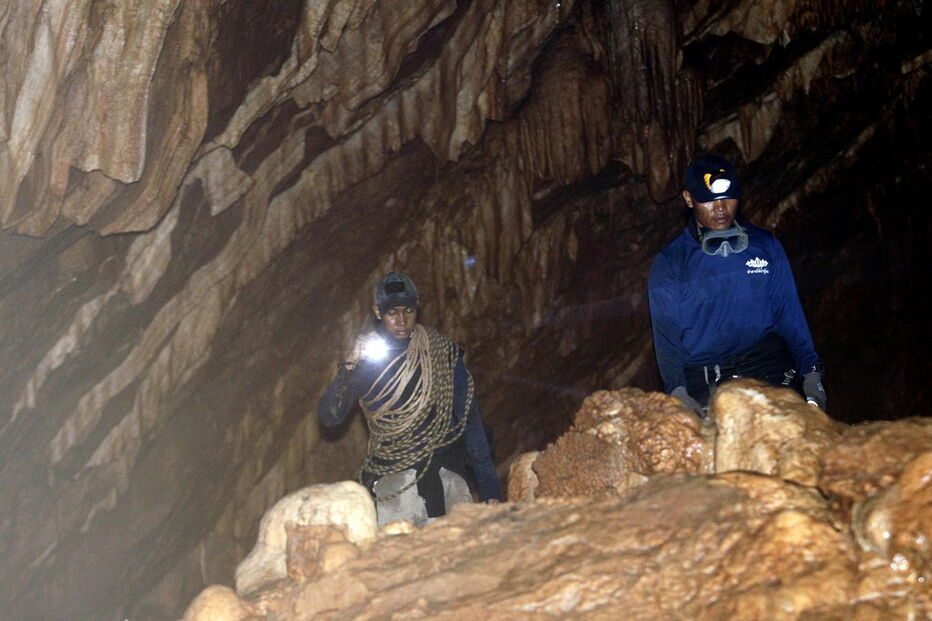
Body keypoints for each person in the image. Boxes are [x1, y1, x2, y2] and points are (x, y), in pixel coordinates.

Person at [647, 154, 826, 415]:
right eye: (709, 199)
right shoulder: (670, 262)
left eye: (728, 197)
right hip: (705, 374)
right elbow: (667, 340)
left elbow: (790, 316)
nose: (720, 207)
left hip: (765, 364)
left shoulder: (765, 247)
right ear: (689, 199)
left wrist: (812, 373)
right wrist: (678, 392)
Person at [318, 271, 501, 525]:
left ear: (417, 309)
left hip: (446, 473)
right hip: (397, 478)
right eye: (393, 313)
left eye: (408, 310)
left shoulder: (442, 354)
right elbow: (330, 417)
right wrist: (348, 365)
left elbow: (471, 423)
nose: (402, 320)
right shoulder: (367, 363)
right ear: (378, 312)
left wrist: (490, 490)